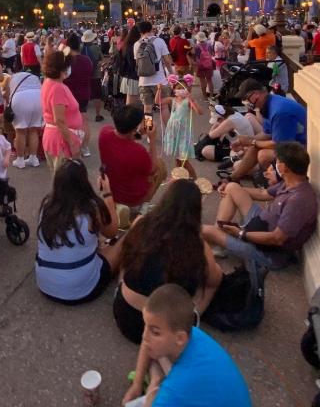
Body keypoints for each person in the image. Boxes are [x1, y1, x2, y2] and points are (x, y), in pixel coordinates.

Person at [113, 180, 222, 344]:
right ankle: (194, 318)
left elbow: (124, 258)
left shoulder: (141, 223)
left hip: (125, 316)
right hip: (165, 335)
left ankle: (121, 288)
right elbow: (213, 280)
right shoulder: (197, 244)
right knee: (216, 275)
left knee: (130, 256)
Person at [122, 284, 252, 407]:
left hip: (187, 386)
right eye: (146, 326)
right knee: (160, 353)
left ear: (180, 338)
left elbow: (168, 393)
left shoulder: (178, 387)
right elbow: (147, 344)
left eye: (155, 332)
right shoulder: (191, 333)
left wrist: (152, 390)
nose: (145, 336)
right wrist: (137, 384)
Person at [203, 141, 317, 269]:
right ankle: (220, 241)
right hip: (259, 224)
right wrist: (230, 189)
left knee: (204, 230)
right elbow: (263, 193)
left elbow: (277, 239)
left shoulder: (298, 201)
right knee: (232, 187)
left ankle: (218, 240)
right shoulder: (292, 182)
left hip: (266, 252)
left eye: (277, 162)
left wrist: (241, 234)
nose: (275, 164)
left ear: (284, 168)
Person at [35, 159, 121, 304]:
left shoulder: (47, 206)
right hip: (82, 289)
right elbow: (112, 231)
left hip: (45, 285)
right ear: (84, 182)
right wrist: (107, 194)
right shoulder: (91, 208)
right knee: (124, 241)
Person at [226, 79, 306, 181]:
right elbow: (266, 134)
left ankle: (281, 186)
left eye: (245, 98)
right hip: (293, 144)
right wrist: (245, 142)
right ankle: (233, 178)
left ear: (255, 95)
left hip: (304, 149)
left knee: (263, 155)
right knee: (254, 148)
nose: (245, 102)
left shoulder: (279, 112)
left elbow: (280, 145)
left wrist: (252, 141)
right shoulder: (270, 104)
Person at [99, 105, 163, 211]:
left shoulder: (104, 133)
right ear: (135, 128)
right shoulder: (138, 151)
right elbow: (153, 169)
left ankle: (119, 206)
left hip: (109, 189)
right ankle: (141, 206)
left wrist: (136, 133)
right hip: (133, 198)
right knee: (161, 167)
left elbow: (122, 136)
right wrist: (152, 140)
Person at [41, 49, 83, 170]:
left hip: (56, 137)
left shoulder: (49, 82)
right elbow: (59, 119)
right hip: (61, 141)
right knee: (67, 182)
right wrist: (72, 143)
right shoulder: (57, 88)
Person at [163, 75, 201, 179]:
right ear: (174, 89)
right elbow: (157, 101)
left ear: (187, 89)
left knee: (183, 159)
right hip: (174, 131)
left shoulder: (188, 101)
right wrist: (158, 90)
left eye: (183, 88)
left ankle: (195, 179)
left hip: (183, 132)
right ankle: (178, 177)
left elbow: (199, 112)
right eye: (179, 88)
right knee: (177, 158)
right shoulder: (173, 100)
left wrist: (192, 101)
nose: (181, 90)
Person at [63, 32, 94, 157]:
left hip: (69, 94)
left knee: (68, 122)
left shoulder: (66, 61)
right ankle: (85, 148)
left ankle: (72, 145)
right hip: (84, 93)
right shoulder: (86, 60)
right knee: (83, 121)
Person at [135, 22, 173, 122]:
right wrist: (172, 74)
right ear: (151, 29)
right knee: (164, 107)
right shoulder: (159, 41)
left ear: (139, 31)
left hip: (143, 81)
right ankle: (168, 134)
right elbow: (167, 61)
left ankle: (149, 132)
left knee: (147, 109)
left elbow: (138, 63)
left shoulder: (136, 44)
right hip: (160, 81)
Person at [80, 29, 105, 123]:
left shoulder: (80, 48)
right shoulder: (96, 47)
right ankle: (98, 115)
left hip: (84, 75)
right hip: (95, 74)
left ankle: (83, 115)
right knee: (97, 95)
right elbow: (102, 59)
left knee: (85, 94)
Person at [119, 24, 143, 106]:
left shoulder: (127, 45)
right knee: (134, 105)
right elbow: (133, 64)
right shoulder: (133, 46)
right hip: (133, 77)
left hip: (129, 77)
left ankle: (132, 118)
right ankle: (132, 118)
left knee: (132, 104)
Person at [192, 31, 215, 99]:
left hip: (201, 66)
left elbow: (195, 57)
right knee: (209, 80)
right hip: (209, 65)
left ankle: (204, 96)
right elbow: (212, 54)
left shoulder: (196, 47)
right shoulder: (210, 45)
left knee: (202, 81)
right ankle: (211, 95)